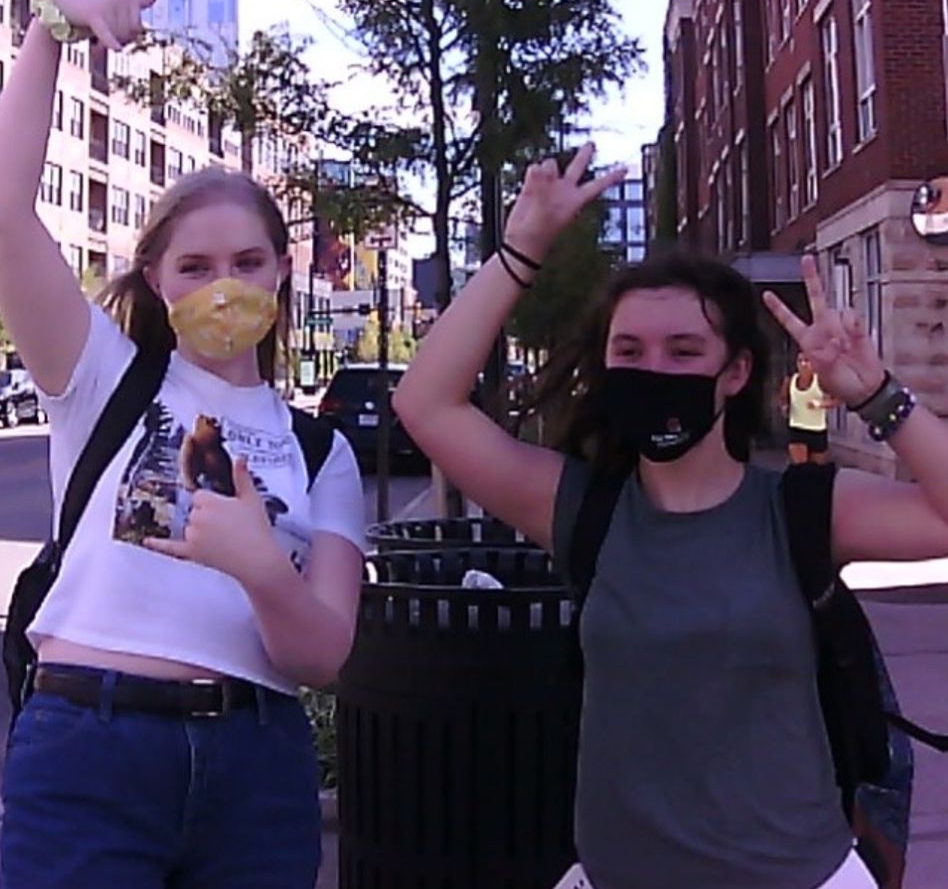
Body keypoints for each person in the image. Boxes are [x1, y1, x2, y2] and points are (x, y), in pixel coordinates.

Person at [393, 144, 948, 889]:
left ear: (735, 372)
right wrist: (521, 250)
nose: (654, 370)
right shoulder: (580, 508)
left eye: (684, 351)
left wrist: (878, 394)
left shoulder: (801, 510)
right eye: (630, 349)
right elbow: (425, 403)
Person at [0, 0, 367, 888]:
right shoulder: (102, 378)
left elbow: (324, 655)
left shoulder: (321, 452)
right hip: (90, 752)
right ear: (156, 279)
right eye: (195, 266)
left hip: (256, 768)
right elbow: (0, 211)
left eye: (247, 263)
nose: (224, 286)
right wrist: (53, 27)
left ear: (281, 272)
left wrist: (263, 567)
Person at [780, 352, 839, 464]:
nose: (803, 364)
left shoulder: (821, 381)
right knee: (800, 468)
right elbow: (783, 398)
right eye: (800, 361)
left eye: (806, 360)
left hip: (817, 429)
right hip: (797, 428)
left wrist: (821, 404)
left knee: (816, 469)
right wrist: (784, 407)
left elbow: (838, 400)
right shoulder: (790, 380)